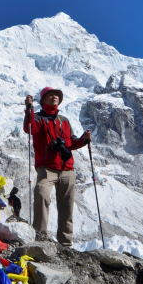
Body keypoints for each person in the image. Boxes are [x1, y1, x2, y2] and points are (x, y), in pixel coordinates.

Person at [23, 87, 92, 246]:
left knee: (67, 207)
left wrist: (83, 140)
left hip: (67, 169)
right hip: (47, 168)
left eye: (57, 95)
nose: (55, 96)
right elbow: (29, 128)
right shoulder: (38, 118)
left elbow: (71, 142)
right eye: (50, 94)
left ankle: (65, 244)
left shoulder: (65, 121)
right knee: (41, 194)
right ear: (43, 99)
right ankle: (40, 238)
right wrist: (29, 110)